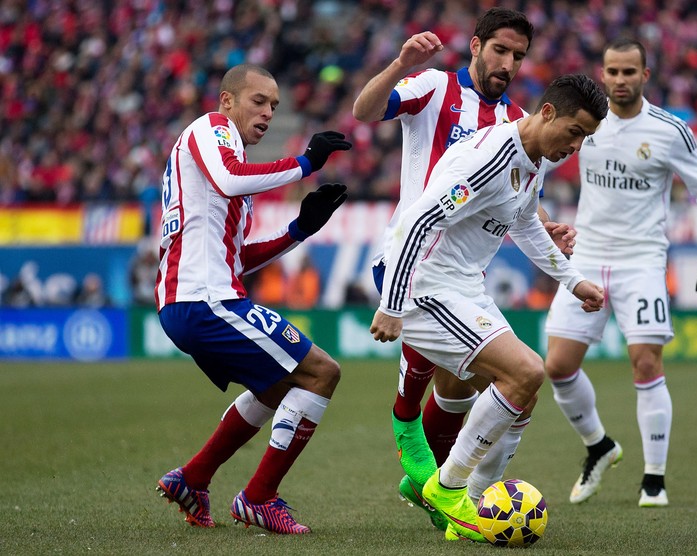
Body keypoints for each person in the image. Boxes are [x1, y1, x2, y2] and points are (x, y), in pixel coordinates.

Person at [352, 7, 576, 528]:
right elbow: (365, 111)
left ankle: (440, 488)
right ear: (475, 46)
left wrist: (549, 227)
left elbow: (515, 202)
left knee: (472, 390)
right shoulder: (432, 87)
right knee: (502, 379)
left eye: (518, 56)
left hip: (464, 276)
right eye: (500, 49)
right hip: (416, 259)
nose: (508, 63)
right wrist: (398, 64)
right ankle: (439, 475)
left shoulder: (516, 121)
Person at [370, 73, 608, 542]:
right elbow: (417, 221)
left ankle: (470, 509)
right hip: (426, 286)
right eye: (575, 132)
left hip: (463, 288)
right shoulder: (491, 156)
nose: (575, 147)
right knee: (527, 372)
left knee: (522, 400)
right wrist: (392, 304)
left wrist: (572, 280)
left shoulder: (533, 159)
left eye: (586, 139)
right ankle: (448, 487)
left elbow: (525, 225)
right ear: (546, 113)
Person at [153, 63, 352, 534]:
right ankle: (260, 497)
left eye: (275, 106)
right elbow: (230, 178)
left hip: (200, 298)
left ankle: (193, 478)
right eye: (258, 101)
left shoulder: (226, 172)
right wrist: (305, 163)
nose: (267, 113)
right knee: (322, 373)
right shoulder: (211, 129)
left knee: (279, 387)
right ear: (226, 101)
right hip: (204, 300)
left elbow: (236, 258)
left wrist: (299, 230)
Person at [543, 39, 697, 509]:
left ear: (645, 75)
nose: (620, 79)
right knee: (557, 367)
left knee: (646, 363)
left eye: (630, 71)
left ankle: (654, 479)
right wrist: (543, 220)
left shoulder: (669, 130)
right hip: (585, 258)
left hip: (642, 261)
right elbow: (535, 161)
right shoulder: (585, 125)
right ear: (602, 74)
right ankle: (599, 446)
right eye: (613, 71)